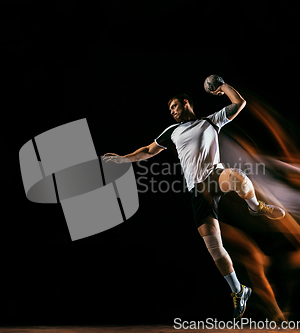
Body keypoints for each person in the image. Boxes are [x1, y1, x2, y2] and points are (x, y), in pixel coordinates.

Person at [103, 80, 286, 319]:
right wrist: (122, 160)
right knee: (214, 248)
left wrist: (223, 86)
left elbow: (239, 103)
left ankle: (256, 207)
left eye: (175, 105)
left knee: (238, 178)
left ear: (186, 102)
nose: (172, 110)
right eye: (170, 109)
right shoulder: (172, 132)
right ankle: (238, 290)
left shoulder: (211, 121)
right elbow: (148, 151)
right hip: (197, 190)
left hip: (215, 176)